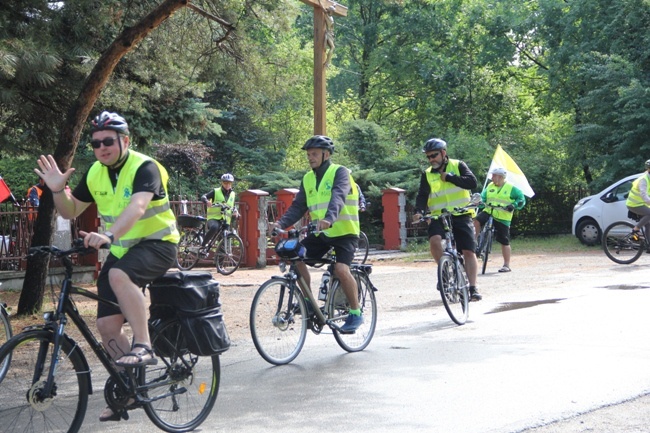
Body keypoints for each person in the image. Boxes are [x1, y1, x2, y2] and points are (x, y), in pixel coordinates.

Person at [35, 111, 179, 422]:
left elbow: (138, 206)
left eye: (108, 141)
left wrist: (109, 235)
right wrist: (58, 189)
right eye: (96, 143)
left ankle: (144, 345)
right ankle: (128, 389)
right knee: (107, 326)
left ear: (124, 140)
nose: (102, 147)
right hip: (123, 248)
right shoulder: (96, 172)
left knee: (118, 273)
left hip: (158, 244)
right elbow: (71, 211)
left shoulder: (145, 167)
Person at [274, 135, 363, 333]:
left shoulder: (340, 172)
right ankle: (308, 303)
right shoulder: (308, 178)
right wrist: (281, 223)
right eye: (308, 154)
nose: (310, 158)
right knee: (296, 256)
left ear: (326, 154)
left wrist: (330, 218)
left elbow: (338, 196)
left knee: (341, 269)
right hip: (321, 234)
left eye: (314, 154)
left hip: (345, 232)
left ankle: (356, 313)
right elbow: (298, 206)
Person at [413, 137, 482, 301]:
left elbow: (472, 182)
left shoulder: (458, 165)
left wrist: (450, 177)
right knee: (435, 240)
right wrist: (419, 211)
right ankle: (443, 271)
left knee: (468, 251)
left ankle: (473, 288)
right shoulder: (428, 174)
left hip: (461, 214)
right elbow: (422, 195)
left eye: (434, 155)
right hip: (439, 215)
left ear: (443, 153)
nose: (431, 159)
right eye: (428, 157)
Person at [473, 167, 526, 272]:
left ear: (500, 177)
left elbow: (521, 198)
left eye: (494, 175)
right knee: (476, 220)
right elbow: (483, 197)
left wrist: (513, 205)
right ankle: (474, 241)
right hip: (489, 211)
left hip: (502, 216)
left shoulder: (511, 188)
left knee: (504, 240)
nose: (491, 177)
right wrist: (479, 202)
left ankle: (506, 265)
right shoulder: (490, 186)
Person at [200, 173, 239, 252]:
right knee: (214, 227)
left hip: (225, 220)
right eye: (225, 183)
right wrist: (207, 201)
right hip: (213, 217)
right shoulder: (216, 191)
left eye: (229, 183)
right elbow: (203, 196)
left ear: (231, 183)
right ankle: (203, 246)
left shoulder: (233, 194)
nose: (227, 185)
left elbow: (233, 206)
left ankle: (219, 263)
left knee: (224, 241)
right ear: (222, 183)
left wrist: (236, 211)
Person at [626, 159, 650, 239]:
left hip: (641, 204)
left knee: (648, 224)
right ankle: (636, 229)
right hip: (634, 204)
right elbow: (644, 195)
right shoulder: (643, 179)